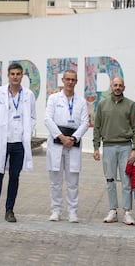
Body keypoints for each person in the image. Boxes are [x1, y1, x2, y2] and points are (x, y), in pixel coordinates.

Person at [0, 63, 36, 224]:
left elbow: (33, 117)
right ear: (8, 75)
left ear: (22, 76)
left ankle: (9, 210)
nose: (15, 77)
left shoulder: (28, 95)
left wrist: (26, 131)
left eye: (18, 74)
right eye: (12, 74)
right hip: (3, 140)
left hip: (19, 142)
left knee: (14, 177)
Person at [93, 77, 135, 225]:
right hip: (108, 147)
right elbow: (97, 127)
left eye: (120, 85)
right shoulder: (102, 105)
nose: (117, 87)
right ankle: (113, 210)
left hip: (126, 147)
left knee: (126, 181)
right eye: (115, 85)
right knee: (110, 180)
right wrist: (96, 147)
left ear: (124, 88)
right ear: (111, 86)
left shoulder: (131, 105)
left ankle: (127, 212)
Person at [45, 70, 89, 223]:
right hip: (57, 141)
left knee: (73, 181)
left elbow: (85, 123)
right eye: (67, 79)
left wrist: (73, 138)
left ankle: (72, 212)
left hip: (73, 143)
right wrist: (61, 137)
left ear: (76, 82)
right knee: (55, 180)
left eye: (73, 80)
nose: (70, 82)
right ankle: (56, 210)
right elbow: (47, 119)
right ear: (62, 80)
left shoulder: (81, 101)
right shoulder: (53, 99)